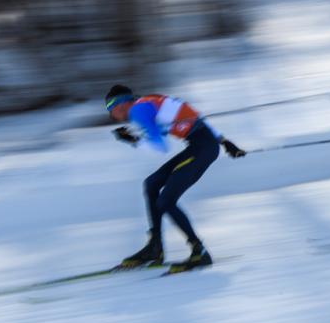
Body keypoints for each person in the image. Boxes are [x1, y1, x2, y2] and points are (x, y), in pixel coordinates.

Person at [105, 84, 246, 273]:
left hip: (201, 149)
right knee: (152, 183)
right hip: (202, 146)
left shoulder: (139, 110)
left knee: (166, 201)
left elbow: (160, 146)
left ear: (120, 105)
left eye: (110, 110)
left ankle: (199, 251)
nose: (112, 116)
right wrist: (224, 141)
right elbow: (195, 117)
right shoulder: (149, 102)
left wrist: (133, 141)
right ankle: (155, 247)